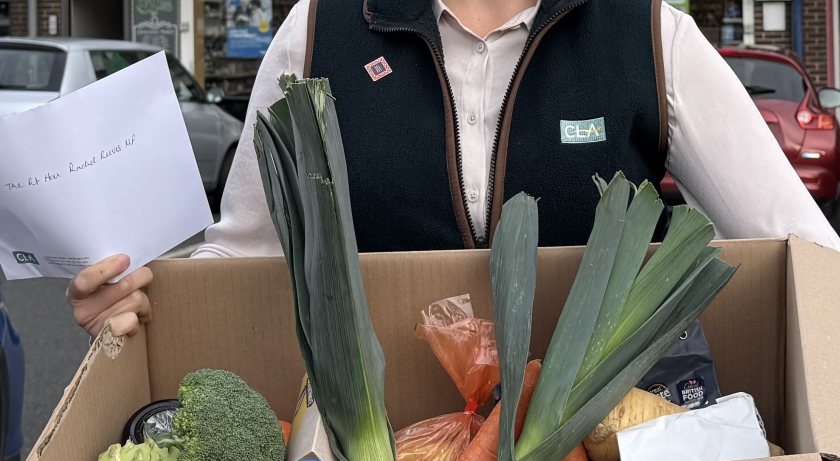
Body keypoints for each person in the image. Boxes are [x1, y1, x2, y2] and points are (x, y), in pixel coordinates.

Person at [67, 0, 840, 337]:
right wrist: (138, 304)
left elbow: (810, 258)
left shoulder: (648, 34)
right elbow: (243, 257)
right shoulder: (318, 31)